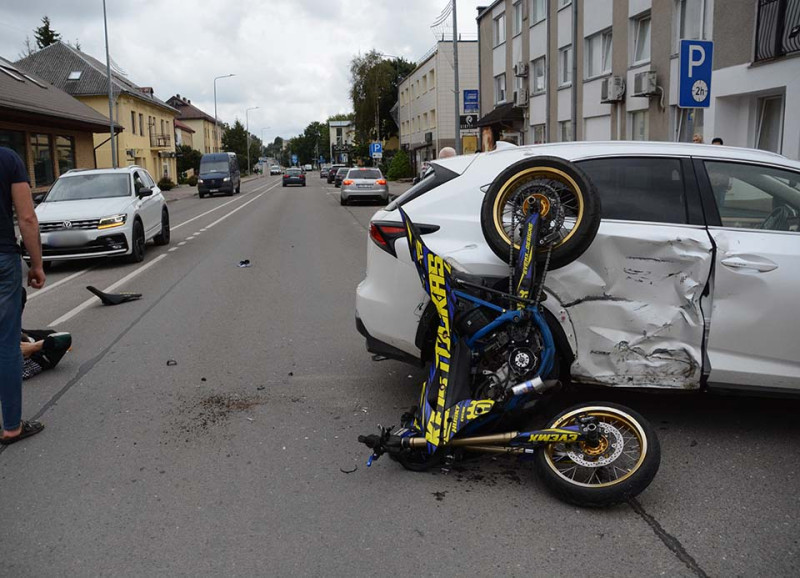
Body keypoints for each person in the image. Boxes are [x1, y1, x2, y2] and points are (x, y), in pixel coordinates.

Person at [0, 146, 46, 445]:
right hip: (2, 260)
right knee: (6, 344)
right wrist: (36, 264)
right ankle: (11, 427)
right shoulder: (8, 159)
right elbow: (27, 218)